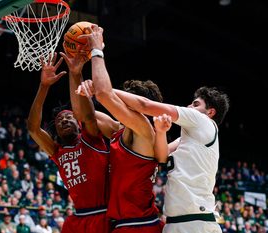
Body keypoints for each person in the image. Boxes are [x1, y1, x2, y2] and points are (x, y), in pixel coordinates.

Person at [79, 24, 230, 233]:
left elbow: (143, 106)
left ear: (210, 112)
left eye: (196, 104)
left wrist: (99, 77)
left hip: (195, 221)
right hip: (173, 223)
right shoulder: (187, 140)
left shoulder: (202, 121)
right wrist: (160, 132)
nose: (189, 107)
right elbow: (160, 157)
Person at [76, 26, 171, 233]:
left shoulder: (144, 129)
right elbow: (83, 115)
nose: (119, 103)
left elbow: (103, 94)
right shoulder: (119, 128)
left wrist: (97, 50)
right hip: (124, 224)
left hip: (140, 224)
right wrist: (76, 73)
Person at [27, 52, 110, 233]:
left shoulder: (91, 138)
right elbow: (33, 128)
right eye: (59, 121)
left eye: (68, 117)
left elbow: (88, 115)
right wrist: (43, 86)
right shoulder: (57, 152)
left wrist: (76, 73)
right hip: (78, 217)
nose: (63, 120)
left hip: (104, 213)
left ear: (79, 124)